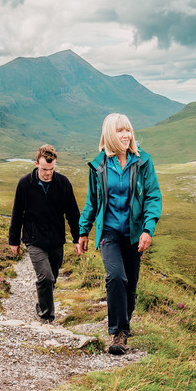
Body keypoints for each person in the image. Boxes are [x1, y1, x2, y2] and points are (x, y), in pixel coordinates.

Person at [78, 113, 162, 355]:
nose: (126, 135)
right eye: (120, 131)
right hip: (110, 233)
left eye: (128, 130)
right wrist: (84, 231)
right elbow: (92, 201)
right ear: (109, 135)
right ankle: (118, 334)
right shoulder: (99, 166)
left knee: (131, 286)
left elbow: (153, 197)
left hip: (134, 234)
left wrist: (148, 228)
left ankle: (123, 326)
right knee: (116, 277)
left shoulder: (143, 161)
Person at [9, 144, 82, 324]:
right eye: (44, 169)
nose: (48, 173)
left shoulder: (63, 183)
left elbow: (73, 213)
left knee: (52, 279)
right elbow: (17, 213)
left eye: (51, 169)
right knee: (46, 277)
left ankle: (41, 305)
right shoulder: (25, 183)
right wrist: (14, 241)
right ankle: (46, 316)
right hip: (34, 240)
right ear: (36, 164)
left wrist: (77, 238)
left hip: (56, 240)